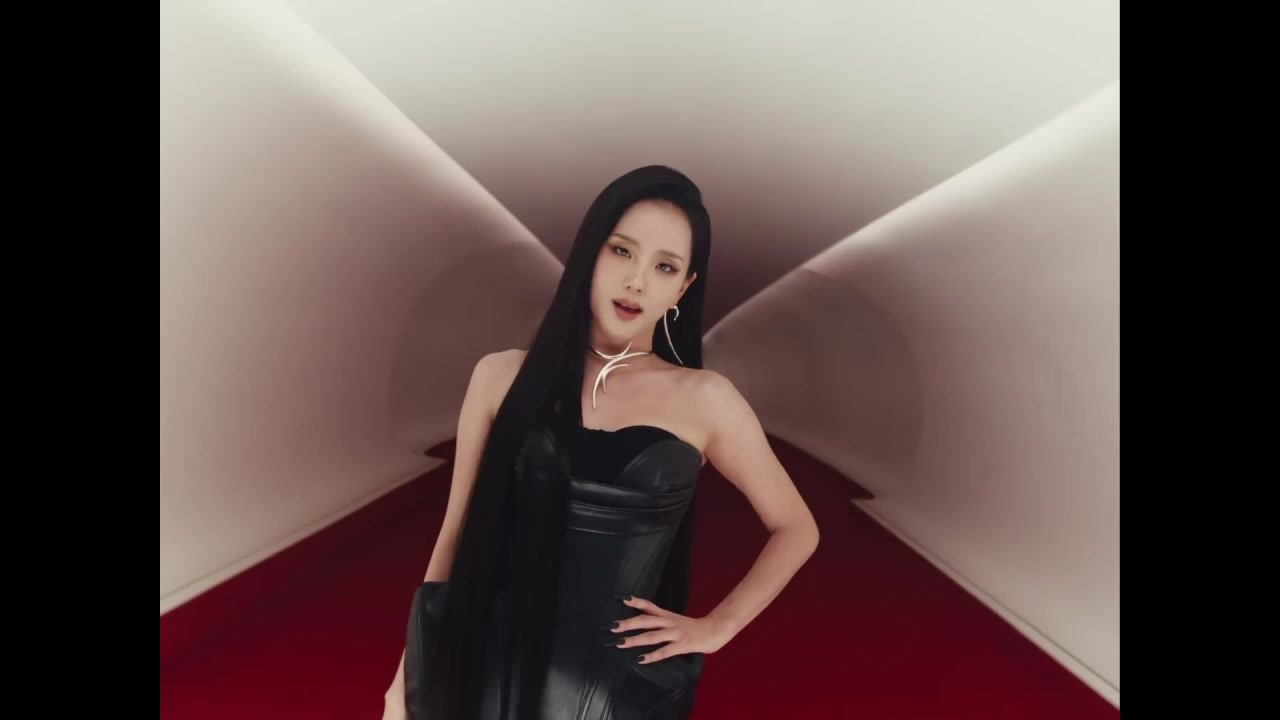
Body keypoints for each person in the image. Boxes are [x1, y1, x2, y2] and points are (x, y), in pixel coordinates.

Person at [382, 165, 820, 719]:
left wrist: (717, 627)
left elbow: (796, 528)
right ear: (589, 252)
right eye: (622, 251)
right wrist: (405, 683)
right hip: (484, 670)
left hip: (607, 692)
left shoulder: (706, 399)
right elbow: (456, 537)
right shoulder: (500, 376)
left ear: (683, 288)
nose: (637, 280)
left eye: (664, 266)